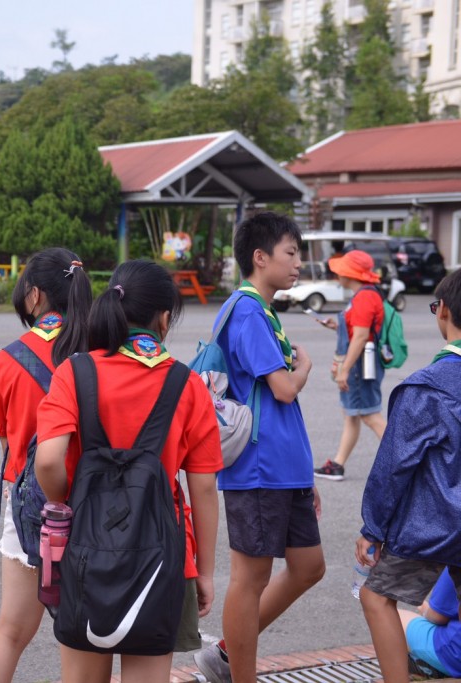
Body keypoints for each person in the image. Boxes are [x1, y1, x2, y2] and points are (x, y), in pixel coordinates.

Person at [34, 259, 222, 683]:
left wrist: (67, 503)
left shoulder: (75, 372)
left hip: (84, 549)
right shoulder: (187, 384)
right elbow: (204, 489)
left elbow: (47, 460)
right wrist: (205, 571)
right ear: (164, 317)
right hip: (163, 554)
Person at [194, 212, 325, 683]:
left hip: (283, 464)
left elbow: (278, 400)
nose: (298, 265)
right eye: (291, 254)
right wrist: (306, 365)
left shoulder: (263, 311)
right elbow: (284, 389)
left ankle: (226, 653)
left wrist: (304, 474)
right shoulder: (247, 310)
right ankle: (237, 673)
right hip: (258, 465)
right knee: (251, 580)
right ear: (260, 256)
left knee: (309, 567)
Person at [0, 248, 93, 683]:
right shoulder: (102, 350)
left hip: (31, 507)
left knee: (11, 631)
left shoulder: (7, 359)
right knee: (82, 636)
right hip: (98, 507)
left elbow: (11, 448)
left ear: (35, 295)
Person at [354, 267, 461, 683]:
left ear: (443, 312)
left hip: (437, 525)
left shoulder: (428, 387)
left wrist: (372, 527)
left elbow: (394, 466)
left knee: (376, 595)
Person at [313, 250, 387, 481]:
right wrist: (337, 326)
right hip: (361, 361)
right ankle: (337, 464)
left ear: (350, 274)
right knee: (353, 415)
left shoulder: (364, 297)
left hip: (358, 365)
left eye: (341, 271)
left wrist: (344, 370)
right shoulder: (366, 295)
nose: (337, 275)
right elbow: (359, 331)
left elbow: (361, 336)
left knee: (369, 415)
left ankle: (404, 460)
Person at [398, 568, 461, 679]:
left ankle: (426, 668)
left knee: (390, 616)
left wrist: (424, 609)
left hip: (455, 654)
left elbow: (437, 616)